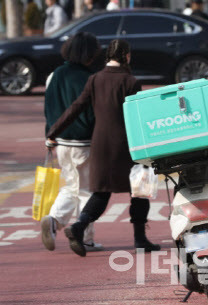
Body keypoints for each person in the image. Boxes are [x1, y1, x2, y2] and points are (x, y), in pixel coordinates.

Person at [46, 39, 161, 257]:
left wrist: (54, 130)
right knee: (140, 191)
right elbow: (136, 118)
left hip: (100, 145)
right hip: (128, 146)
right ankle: (140, 238)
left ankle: (79, 226)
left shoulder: (95, 79)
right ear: (127, 56)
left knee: (101, 192)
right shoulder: (131, 81)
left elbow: (76, 108)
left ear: (107, 56)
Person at [42, 33, 100, 253]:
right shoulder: (89, 78)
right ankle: (84, 237)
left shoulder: (55, 75)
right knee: (87, 191)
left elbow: (48, 109)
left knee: (72, 186)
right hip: (84, 142)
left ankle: (54, 220)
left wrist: (49, 136)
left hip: (61, 141)